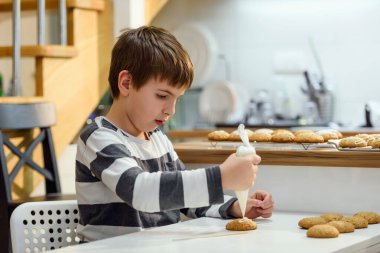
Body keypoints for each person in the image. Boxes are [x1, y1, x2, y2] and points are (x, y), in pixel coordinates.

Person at [75, 26, 274, 242]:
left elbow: (185, 199)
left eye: (177, 99)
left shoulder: (159, 139)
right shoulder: (98, 138)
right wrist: (221, 177)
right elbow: (139, 191)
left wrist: (235, 207)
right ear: (126, 83)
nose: (171, 110)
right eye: (162, 96)